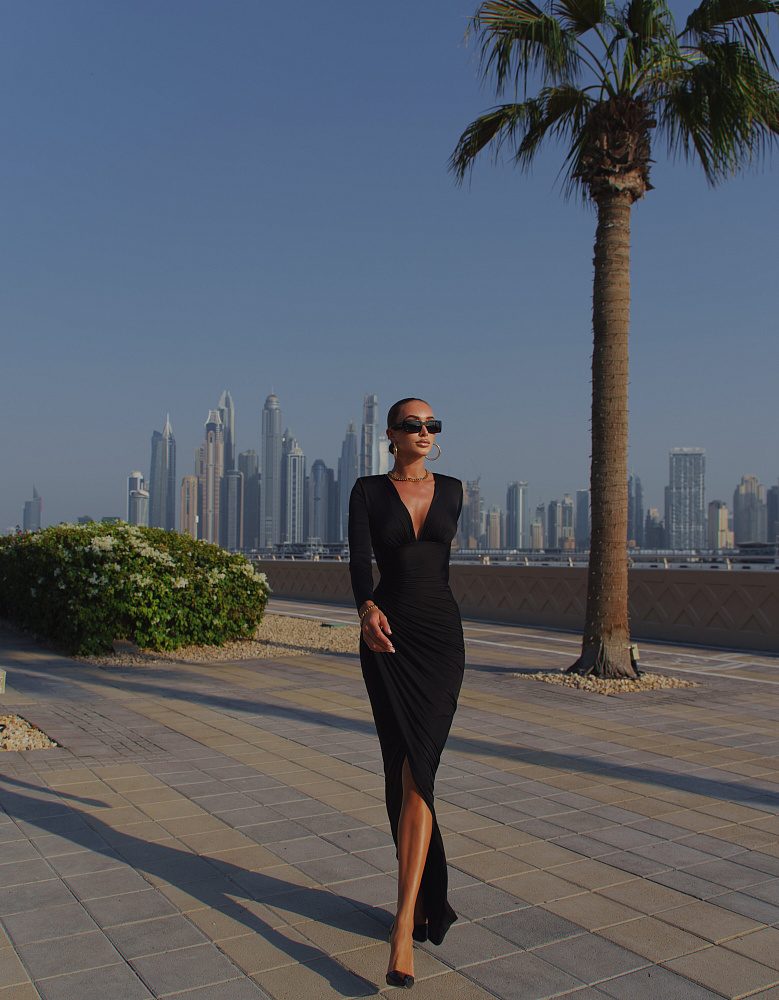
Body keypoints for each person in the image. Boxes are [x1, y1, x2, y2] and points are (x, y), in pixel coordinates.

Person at [349, 397, 465, 989]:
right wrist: (366, 609)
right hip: (388, 639)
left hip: (440, 640)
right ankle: (417, 907)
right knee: (402, 767)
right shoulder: (367, 491)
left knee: (421, 770)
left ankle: (402, 925)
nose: (424, 432)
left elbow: (437, 571)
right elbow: (359, 564)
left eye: (431, 425)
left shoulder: (454, 490)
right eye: (413, 425)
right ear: (392, 434)